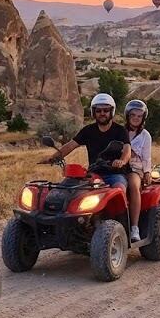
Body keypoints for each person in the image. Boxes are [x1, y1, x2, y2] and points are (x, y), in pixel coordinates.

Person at [48, 94, 133, 213]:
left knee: (119, 190)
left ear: (111, 111)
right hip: (93, 174)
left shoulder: (120, 130)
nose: (102, 113)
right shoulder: (88, 130)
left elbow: (127, 149)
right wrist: (53, 158)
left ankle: (121, 224)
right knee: (70, 192)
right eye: (98, 110)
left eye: (106, 110)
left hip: (115, 174)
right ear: (93, 112)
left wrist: (122, 161)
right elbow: (71, 145)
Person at [124, 99, 152, 242]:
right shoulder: (120, 131)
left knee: (134, 186)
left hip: (135, 168)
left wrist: (147, 172)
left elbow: (147, 156)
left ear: (143, 118)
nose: (136, 118)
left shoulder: (145, 135)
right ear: (128, 116)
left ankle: (134, 228)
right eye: (133, 115)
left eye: (139, 116)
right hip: (118, 167)